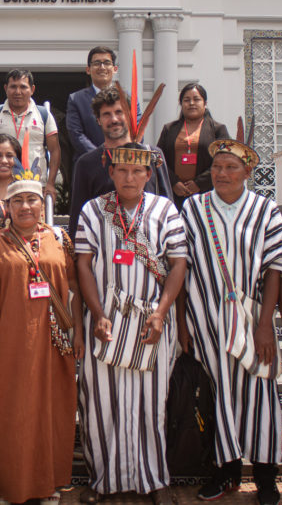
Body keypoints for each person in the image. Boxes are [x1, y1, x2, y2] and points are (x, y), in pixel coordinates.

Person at [179, 136, 282, 505]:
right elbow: (182, 267)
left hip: (251, 321)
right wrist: (183, 325)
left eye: (231, 167)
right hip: (207, 320)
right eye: (216, 167)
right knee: (217, 396)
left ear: (248, 172)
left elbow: (276, 268)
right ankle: (223, 472)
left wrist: (265, 325)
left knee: (259, 393)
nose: (222, 173)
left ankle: (265, 478)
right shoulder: (194, 208)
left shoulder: (265, 210)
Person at [74, 144, 187, 505]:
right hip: (104, 321)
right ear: (111, 173)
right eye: (122, 171)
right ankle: (102, 480)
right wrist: (97, 313)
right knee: (99, 404)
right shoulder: (94, 210)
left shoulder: (165, 209)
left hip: (150, 322)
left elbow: (178, 264)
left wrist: (161, 313)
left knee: (151, 404)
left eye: (137, 172)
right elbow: (83, 265)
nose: (129, 178)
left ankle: (155, 480)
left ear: (149, 175)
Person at [0, 165, 83, 505]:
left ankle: (47, 484)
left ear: (42, 204)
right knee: (11, 411)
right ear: (7, 207)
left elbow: (75, 288)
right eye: (17, 201)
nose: (25, 207)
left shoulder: (60, 239)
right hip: (9, 344)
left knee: (51, 412)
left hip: (54, 344)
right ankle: (12, 487)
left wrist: (77, 333)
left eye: (32, 200)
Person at [69, 86, 172, 238]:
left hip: (151, 252)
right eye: (106, 114)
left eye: (119, 112)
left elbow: (168, 208)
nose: (114, 119)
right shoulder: (86, 163)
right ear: (98, 120)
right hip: (105, 251)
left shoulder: (153, 155)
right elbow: (78, 219)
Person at [0, 69, 61, 199]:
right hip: (1, 185)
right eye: (13, 87)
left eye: (23, 87)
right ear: (6, 88)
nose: (18, 92)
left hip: (35, 185)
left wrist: (51, 183)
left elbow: (55, 150)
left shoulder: (43, 114)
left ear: (32, 89)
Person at [156, 83, 231, 208]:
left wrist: (199, 183)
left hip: (207, 194)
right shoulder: (169, 129)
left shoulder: (218, 130)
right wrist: (174, 182)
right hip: (174, 195)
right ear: (181, 104)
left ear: (205, 103)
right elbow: (158, 158)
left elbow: (225, 160)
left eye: (196, 99)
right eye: (186, 100)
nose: (191, 103)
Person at [65, 46, 118, 161]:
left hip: (122, 165)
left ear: (115, 68)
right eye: (97, 63)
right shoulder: (76, 99)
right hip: (89, 164)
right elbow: (76, 134)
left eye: (107, 63)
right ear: (88, 70)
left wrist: (118, 157)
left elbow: (136, 131)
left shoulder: (128, 99)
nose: (102, 67)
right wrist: (101, 157)